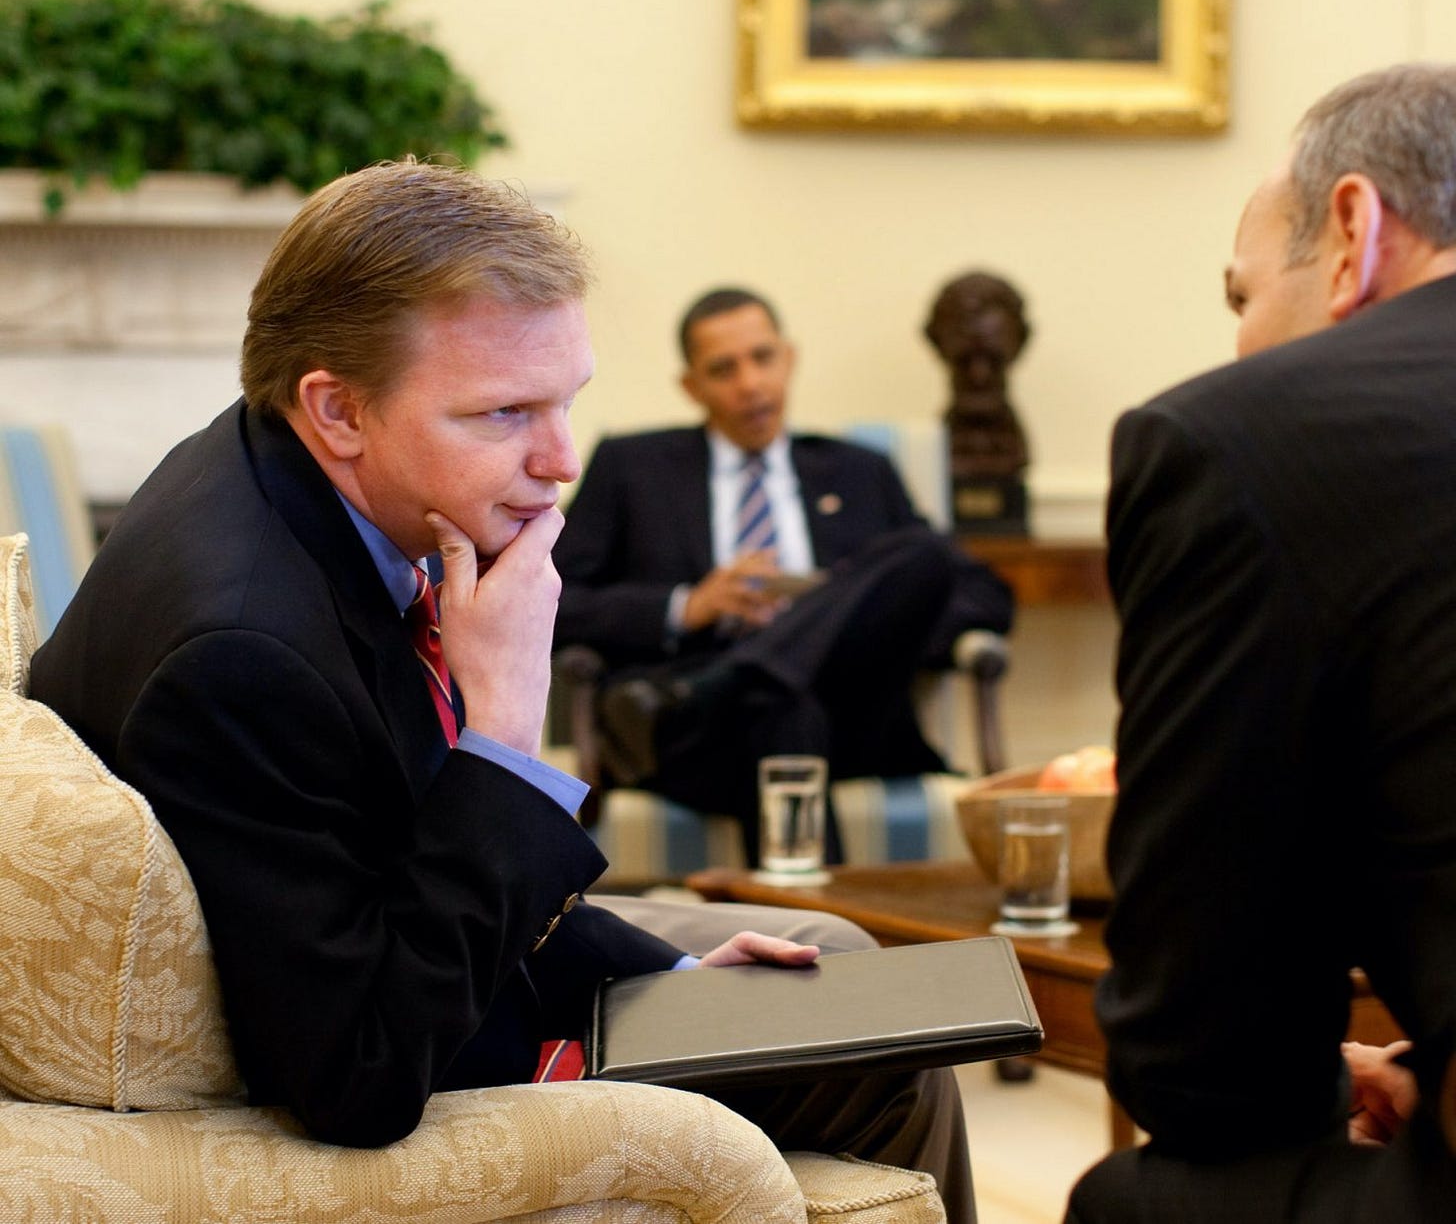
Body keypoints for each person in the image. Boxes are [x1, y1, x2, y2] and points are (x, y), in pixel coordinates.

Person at [27, 162, 976, 1221]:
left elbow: (388, 840)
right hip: (401, 1048)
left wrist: (662, 966)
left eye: (566, 400)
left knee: (831, 967)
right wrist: (509, 729)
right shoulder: (242, 651)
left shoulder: (283, 479)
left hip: (422, 951)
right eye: (505, 412)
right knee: (894, 1059)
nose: (560, 458)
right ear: (337, 407)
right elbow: (362, 1071)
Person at [1067, 63, 1456, 1222]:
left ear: (1353, 229)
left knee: (1142, 1194)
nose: (1242, 346)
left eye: (1240, 300)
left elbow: (1203, 1052)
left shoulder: (1240, 439)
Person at [554, 286, 1013, 862]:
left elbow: (983, 596)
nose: (750, 383)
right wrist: (686, 606)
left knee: (920, 554)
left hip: (845, 718)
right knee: (782, 705)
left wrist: (842, 609)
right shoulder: (631, 468)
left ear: (788, 358)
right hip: (696, 735)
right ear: (691, 386)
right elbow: (552, 601)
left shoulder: (860, 471)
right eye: (724, 369)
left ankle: (746, 674)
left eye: (762, 358)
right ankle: (828, 944)